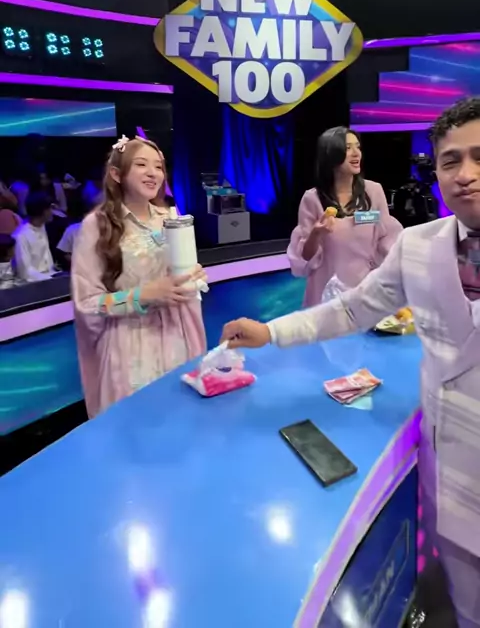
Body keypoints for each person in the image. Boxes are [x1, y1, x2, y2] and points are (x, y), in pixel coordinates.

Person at [222, 97, 480, 628]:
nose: (466, 174)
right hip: (452, 475)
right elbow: (349, 309)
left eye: (479, 156)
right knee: (465, 600)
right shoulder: (419, 247)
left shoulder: (377, 201)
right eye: (451, 160)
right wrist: (271, 332)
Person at [71, 135, 207, 418]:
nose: (153, 173)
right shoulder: (96, 226)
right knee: (137, 427)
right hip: (129, 349)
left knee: (181, 420)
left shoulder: (170, 217)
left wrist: (192, 277)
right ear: (116, 174)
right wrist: (142, 296)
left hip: (176, 340)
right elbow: (87, 303)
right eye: (142, 165)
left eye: (158, 167)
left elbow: (181, 275)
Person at [287, 127, 402, 306]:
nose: (356, 153)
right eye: (348, 148)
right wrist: (316, 233)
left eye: (358, 147)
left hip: (364, 291)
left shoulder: (374, 191)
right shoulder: (312, 199)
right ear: (331, 154)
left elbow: (386, 238)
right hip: (326, 294)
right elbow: (306, 257)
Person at [13, 191, 55, 282]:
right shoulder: (21, 236)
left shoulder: (42, 226)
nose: (52, 212)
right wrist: (49, 279)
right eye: (50, 208)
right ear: (43, 211)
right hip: (32, 284)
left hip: (49, 277)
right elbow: (25, 272)